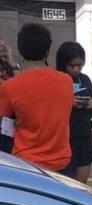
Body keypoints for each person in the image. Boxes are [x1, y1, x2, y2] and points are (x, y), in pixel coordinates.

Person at [0, 23, 72, 171]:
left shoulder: (10, 87)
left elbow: (4, 121)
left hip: (27, 164)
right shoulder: (66, 81)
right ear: (48, 51)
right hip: (61, 162)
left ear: (20, 50)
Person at [57, 42, 92, 184]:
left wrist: (90, 105)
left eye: (79, 65)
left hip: (84, 137)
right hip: (64, 140)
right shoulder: (56, 80)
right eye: (71, 66)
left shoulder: (85, 79)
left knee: (81, 186)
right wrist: (68, 103)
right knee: (66, 185)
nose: (76, 69)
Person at [0, 40, 16, 154]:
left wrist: (11, 61)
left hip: (10, 119)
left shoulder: (10, 66)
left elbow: (21, 81)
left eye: (3, 47)